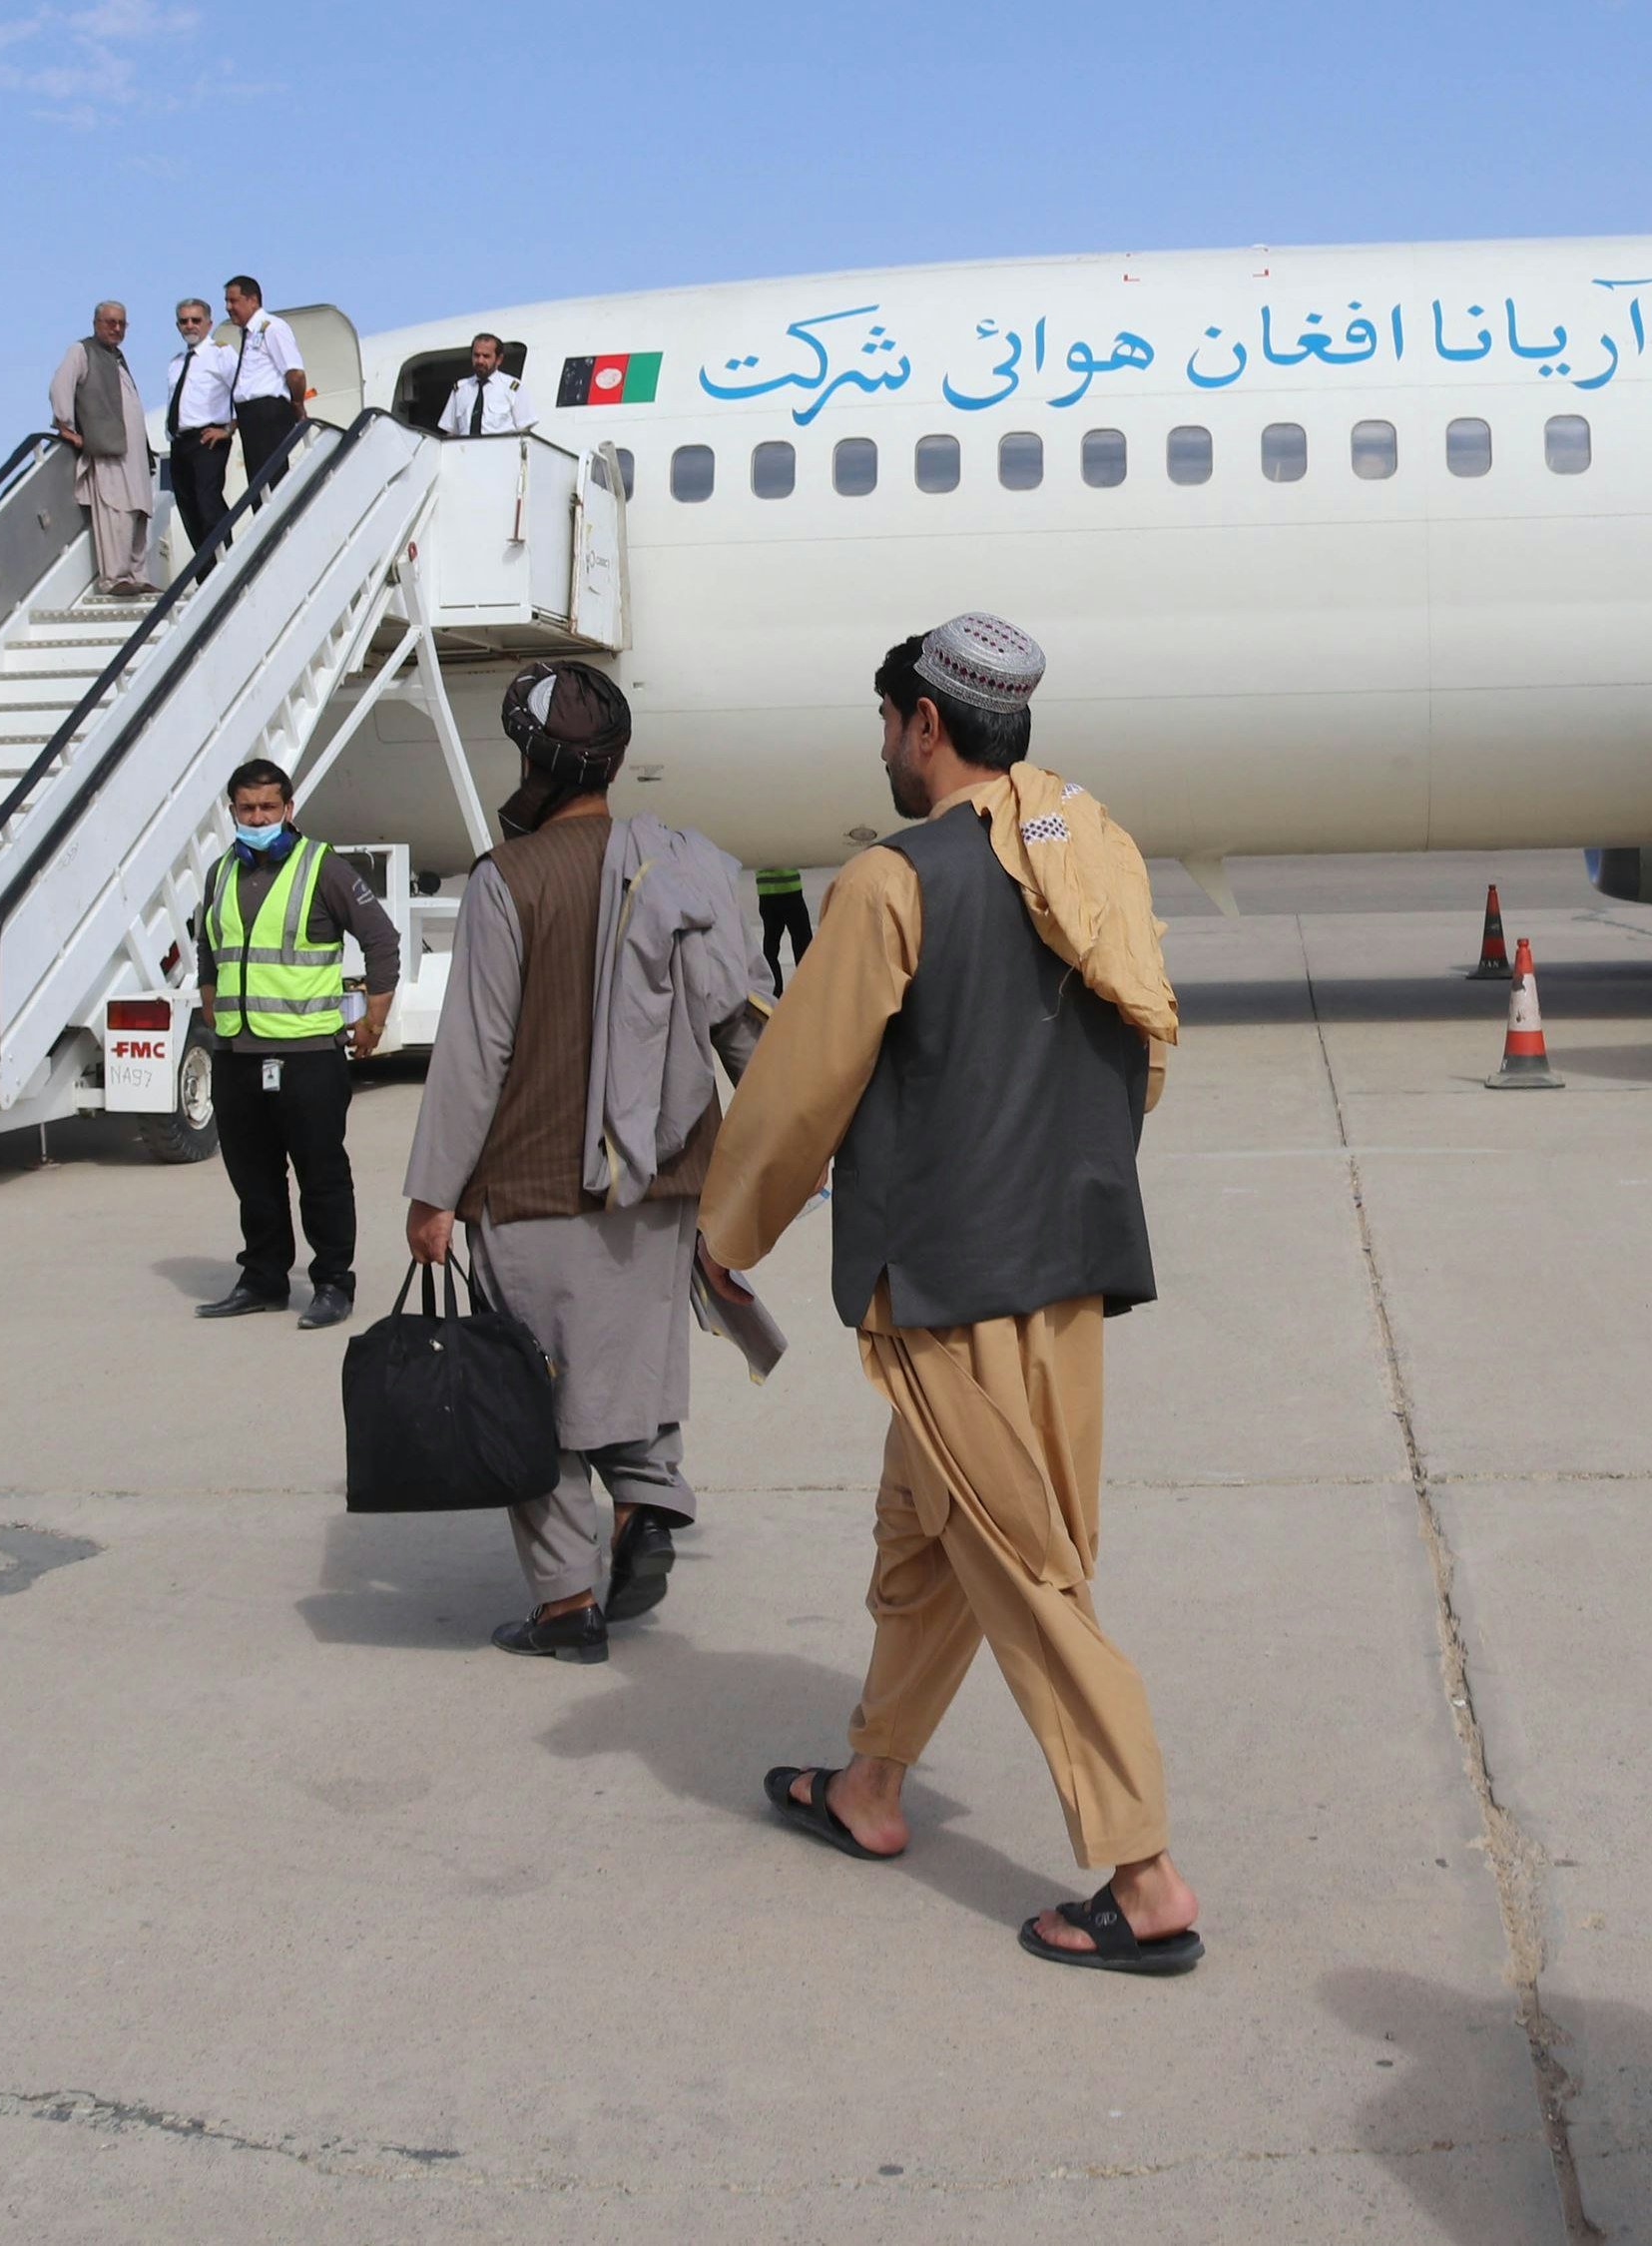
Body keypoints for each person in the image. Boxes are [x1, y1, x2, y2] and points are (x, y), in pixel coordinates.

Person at [698, 612, 1208, 1977]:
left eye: (885, 722)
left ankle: (1144, 1871)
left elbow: (802, 1081)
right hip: (1069, 1264)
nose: (881, 746)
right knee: (929, 1541)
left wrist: (728, 1227)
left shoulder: (894, 879)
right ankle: (872, 1783)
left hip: (945, 1278)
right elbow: (1148, 1047)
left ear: (925, 724)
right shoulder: (1090, 847)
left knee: (1024, 1568)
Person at [403, 663, 768, 1662]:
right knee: (630, 1359)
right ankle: (647, 1500)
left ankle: (567, 1607)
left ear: (532, 759)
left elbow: (474, 1058)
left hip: (530, 1186)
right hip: (662, 1178)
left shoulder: (505, 881)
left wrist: (432, 1192)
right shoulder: (686, 865)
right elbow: (741, 1024)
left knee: (535, 1397)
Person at [193, 759, 399, 1331]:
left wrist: (373, 1022)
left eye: (267, 808)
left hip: (308, 1056)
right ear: (231, 811)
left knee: (321, 1174)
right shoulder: (218, 875)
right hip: (237, 1055)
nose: (256, 818)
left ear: (289, 808)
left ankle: (333, 1281)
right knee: (252, 1177)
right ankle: (262, 1278)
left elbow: (381, 940)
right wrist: (212, 1007)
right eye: (246, 808)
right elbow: (209, 949)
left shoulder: (322, 868)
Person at [49, 301, 158, 597]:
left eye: (121, 323)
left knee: (139, 510)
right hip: (108, 451)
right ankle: (115, 577)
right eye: (110, 322)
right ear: (96, 322)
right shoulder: (82, 351)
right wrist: (67, 427)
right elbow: (61, 386)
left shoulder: (117, 357)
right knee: (116, 511)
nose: (116, 328)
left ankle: (138, 574)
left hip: (133, 453)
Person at [159, 295, 239, 567]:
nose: (190, 326)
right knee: (188, 507)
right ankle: (205, 570)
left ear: (208, 323)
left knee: (208, 504)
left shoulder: (221, 352)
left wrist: (228, 429)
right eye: (184, 321)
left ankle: (225, 564)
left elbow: (240, 391)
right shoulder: (176, 362)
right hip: (180, 442)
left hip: (208, 438)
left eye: (196, 320)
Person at [225, 276, 311, 492]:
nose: (228, 307)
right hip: (249, 415)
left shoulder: (273, 327)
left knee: (271, 480)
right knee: (257, 484)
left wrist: (298, 403)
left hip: (267, 412)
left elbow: (295, 373)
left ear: (252, 300)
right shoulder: (248, 333)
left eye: (233, 301)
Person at [434, 333, 534, 437]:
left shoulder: (513, 388)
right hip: (466, 451)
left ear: (499, 359)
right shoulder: (460, 389)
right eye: (476, 355)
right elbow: (451, 432)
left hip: (500, 452)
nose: (480, 361)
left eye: (486, 356)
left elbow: (524, 432)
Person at [752, 865, 812, 994]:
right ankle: (806, 991)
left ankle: (775, 994)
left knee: (771, 946)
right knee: (803, 944)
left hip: (765, 891)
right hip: (789, 888)